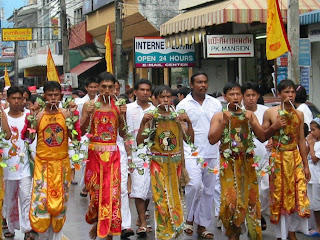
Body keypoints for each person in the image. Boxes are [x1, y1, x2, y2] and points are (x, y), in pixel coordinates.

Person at [208, 82, 285, 240]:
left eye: (238, 94)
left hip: (247, 164)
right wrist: (223, 122)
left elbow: (262, 137)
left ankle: (253, 232)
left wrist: (274, 126)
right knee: (230, 202)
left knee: (250, 201)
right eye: (231, 94)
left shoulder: (249, 115)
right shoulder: (218, 116)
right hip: (228, 165)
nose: (235, 97)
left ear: (241, 97)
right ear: (225, 97)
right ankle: (233, 235)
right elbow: (211, 139)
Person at [22, 81, 79, 240]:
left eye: (56, 95)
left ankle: (57, 236)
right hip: (43, 166)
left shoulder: (67, 115)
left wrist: (74, 119)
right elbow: (29, 138)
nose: (53, 98)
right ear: (43, 96)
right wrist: (31, 120)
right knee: (42, 202)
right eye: (50, 95)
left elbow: (75, 137)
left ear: (61, 96)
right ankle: (42, 236)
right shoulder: (38, 116)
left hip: (62, 165)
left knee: (61, 202)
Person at [136, 85, 194, 239]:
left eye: (168, 96)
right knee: (160, 199)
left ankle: (176, 231)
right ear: (154, 99)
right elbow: (139, 141)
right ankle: (163, 235)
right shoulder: (151, 117)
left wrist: (189, 123)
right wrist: (143, 124)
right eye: (162, 97)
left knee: (176, 198)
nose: (166, 100)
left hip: (175, 164)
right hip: (158, 163)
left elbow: (190, 141)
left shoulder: (177, 116)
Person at [262, 79, 310, 240]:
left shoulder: (299, 114)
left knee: (298, 193)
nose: (290, 95)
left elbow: (302, 140)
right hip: (278, 158)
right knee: (279, 194)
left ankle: (292, 231)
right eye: (286, 92)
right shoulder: (271, 112)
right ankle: (281, 233)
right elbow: (262, 136)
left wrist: (306, 165)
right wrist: (274, 127)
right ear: (279, 94)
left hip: (294, 156)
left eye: (292, 92)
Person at [176, 72, 222, 239]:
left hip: (212, 152)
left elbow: (219, 127)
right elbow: (181, 131)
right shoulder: (183, 104)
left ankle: (203, 226)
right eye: (199, 82)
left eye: (205, 82)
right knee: (194, 186)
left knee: (209, 190)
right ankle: (188, 218)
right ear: (192, 84)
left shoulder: (215, 103)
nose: (203, 85)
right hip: (191, 152)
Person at [81, 72, 126, 240]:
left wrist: (122, 115)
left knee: (113, 194)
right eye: (103, 87)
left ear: (115, 88)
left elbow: (122, 132)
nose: (107, 90)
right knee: (96, 193)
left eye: (110, 87)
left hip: (113, 156)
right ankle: (98, 222)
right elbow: (83, 130)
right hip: (94, 156)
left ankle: (108, 233)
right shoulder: (89, 105)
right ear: (98, 87)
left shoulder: (119, 105)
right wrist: (87, 114)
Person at [3, 87, 33, 239]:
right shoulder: (3, 117)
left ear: (23, 100)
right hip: (7, 166)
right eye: (13, 98)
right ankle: (11, 227)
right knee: (10, 198)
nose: (16, 102)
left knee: (26, 196)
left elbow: (32, 139)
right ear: (7, 99)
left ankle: (27, 229)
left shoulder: (28, 116)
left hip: (25, 165)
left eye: (19, 98)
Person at [126, 79, 155, 237]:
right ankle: (143, 222)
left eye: (147, 90)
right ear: (135, 92)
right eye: (142, 90)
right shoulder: (128, 109)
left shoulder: (155, 110)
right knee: (138, 188)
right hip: (134, 153)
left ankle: (141, 217)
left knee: (148, 190)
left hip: (152, 153)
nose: (145, 93)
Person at [242, 82, 270, 230]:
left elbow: (270, 130)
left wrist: (271, 139)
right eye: (248, 95)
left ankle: (260, 213)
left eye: (253, 95)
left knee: (265, 188)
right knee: (247, 190)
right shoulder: (238, 112)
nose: (251, 98)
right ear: (243, 97)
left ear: (258, 96)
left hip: (264, 157)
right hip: (244, 158)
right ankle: (251, 221)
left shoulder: (266, 111)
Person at [114, 80, 134, 238]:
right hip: (100, 154)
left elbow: (125, 133)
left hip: (119, 153)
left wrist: (129, 156)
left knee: (121, 189)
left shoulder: (123, 107)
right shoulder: (95, 107)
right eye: (107, 87)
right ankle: (105, 221)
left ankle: (125, 225)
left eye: (114, 88)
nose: (111, 91)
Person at [306, 118, 320, 237]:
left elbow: (315, 159)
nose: (312, 133)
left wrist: (311, 145)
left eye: (314, 130)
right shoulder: (313, 142)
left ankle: (319, 228)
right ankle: (312, 226)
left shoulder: (318, 144)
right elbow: (306, 155)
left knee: (317, 206)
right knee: (311, 204)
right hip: (311, 179)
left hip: (317, 179)